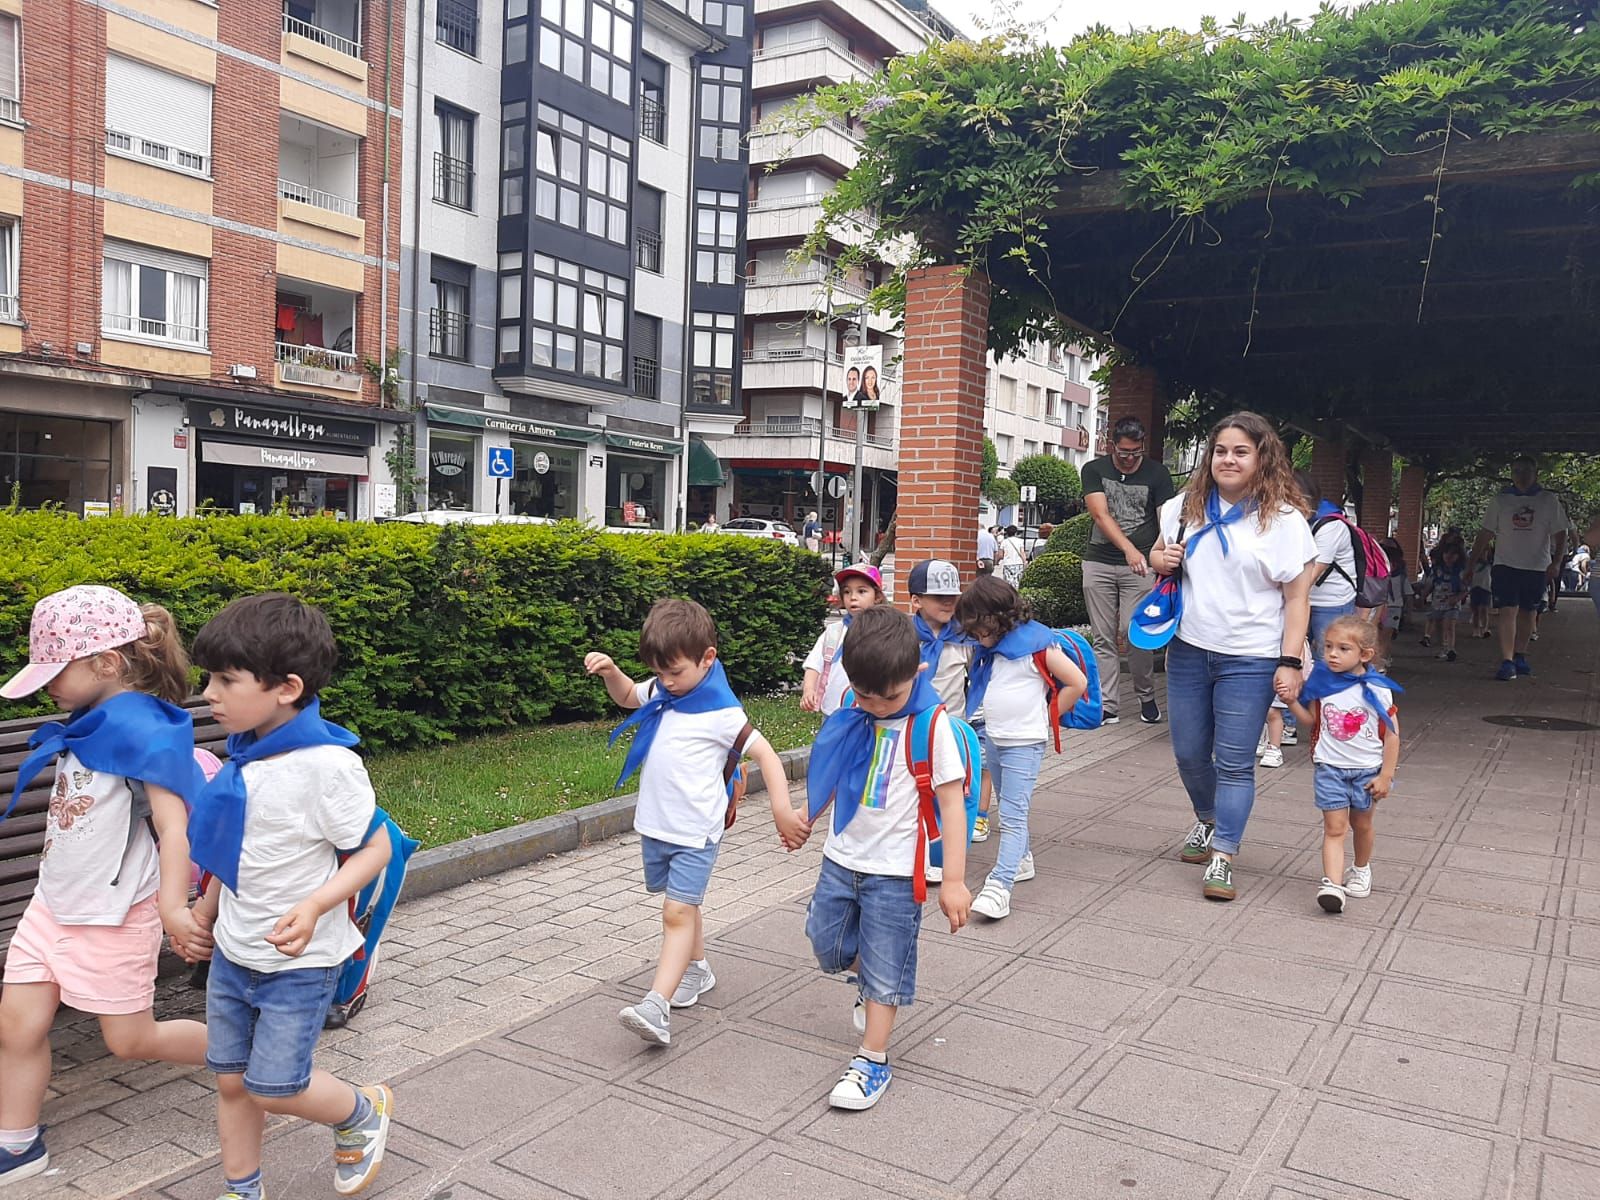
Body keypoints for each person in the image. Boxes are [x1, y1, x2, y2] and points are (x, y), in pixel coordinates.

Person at [187, 593, 395, 1200]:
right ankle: (241, 1189)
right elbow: (236, 846)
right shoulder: (246, 756)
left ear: (286, 687)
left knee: (274, 1086)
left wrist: (314, 906)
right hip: (234, 951)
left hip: (298, 963)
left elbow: (376, 848)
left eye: (226, 679)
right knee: (231, 1081)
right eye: (209, 678)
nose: (209, 693)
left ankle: (360, 1111)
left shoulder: (325, 765)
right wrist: (205, 908)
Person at [0, 586, 210, 1187]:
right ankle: (17, 1145)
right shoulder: (88, 722)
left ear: (106, 663)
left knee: (132, 1040)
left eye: (55, 670)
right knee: (17, 1024)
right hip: (53, 904)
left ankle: (252, 1057)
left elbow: (176, 828)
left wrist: (174, 906)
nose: (47, 685)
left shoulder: (146, 732)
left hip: (113, 913)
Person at [585, 599, 795, 1047]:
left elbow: (767, 755)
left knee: (676, 911)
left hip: (696, 832)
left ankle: (655, 1006)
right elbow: (627, 696)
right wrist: (611, 673)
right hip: (659, 826)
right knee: (684, 905)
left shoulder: (722, 711)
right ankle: (696, 970)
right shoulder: (666, 690)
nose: (665, 682)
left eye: (674, 672)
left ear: (707, 659)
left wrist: (781, 810)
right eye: (659, 673)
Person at [797, 606, 971, 1110]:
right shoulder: (855, 708)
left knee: (886, 964)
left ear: (915, 673)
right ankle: (873, 980)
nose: (874, 705)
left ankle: (871, 1060)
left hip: (896, 871)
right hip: (841, 857)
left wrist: (955, 880)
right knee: (824, 943)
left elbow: (952, 805)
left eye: (887, 696)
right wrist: (807, 816)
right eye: (864, 694)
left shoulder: (931, 725)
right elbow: (837, 769)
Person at [1149, 412, 1317, 902]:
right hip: (1188, 649)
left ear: (1262, 457)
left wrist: (1288, 661)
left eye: (1241, 451)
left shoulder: (1285, 520)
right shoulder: (1184, 506)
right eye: (1221, 450)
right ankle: (1207, 817)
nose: (1229, 459)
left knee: (1236, 763)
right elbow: (1158, 555)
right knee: (1187, 751)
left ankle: (1223, 853)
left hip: (1252, 657)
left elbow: (1297, 599)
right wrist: (1164, 559)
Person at [956, 576, 1088, 921]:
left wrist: (1045, 718)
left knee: (1013, 815)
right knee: (1008, 805)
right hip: (997, 737)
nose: (976, 635)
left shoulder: (1038, 645)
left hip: (1024, 742)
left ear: (998, 616)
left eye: (980, 627)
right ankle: (1022, 859)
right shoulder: (991, 649)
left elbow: (1077, 682)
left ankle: (1000, 886)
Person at [1278, 615, 1400, 914]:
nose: (1332, 654)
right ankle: (1332, 885)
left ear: (1365, 654)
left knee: (1362, 824)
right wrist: (1291, 702)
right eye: (1329, 647)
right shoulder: (1321, 684)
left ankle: (1361, 868)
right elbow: (1312, 722)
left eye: (1343, 648)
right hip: (1329, 768)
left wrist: (1386, 775)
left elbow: (1392, 734)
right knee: (1334, 828)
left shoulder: (1377, 689)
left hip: (1367, 771)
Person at [1080, 416, 1176, 726]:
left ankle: (1146, 694)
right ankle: (1108, 704)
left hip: (1142, 567)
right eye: (1124, 452)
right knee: (1103, 636)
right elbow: (1100, 514)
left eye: (1136, 452)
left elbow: (1166, 518)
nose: (1130, 458)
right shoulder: (1094, 470)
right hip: (1099, 561)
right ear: (1112, 446)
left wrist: (1164, 553)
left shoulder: (1157, 474)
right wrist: (1129, 549)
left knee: (1133, 632)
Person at [1468, 455, 1568, 680]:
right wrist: (1471, 564)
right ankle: (1507, 660)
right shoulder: (1501, 501)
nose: (1521, 475)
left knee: (1528, 612)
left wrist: (1557, 561)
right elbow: (1485, 533)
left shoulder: (1548, 500)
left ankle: (1520, 654)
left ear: (1535, 474)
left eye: (1525, 471)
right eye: (1516, 471)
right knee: (1507, 610)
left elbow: (1561, 534)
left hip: (1536, 566)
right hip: (1505, 564)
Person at [802, 564, 885, 716]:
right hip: (832, 711)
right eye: (847, 592)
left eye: (862, 591)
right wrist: (809, 690)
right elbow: (813, 665)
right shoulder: (834, 632)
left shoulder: (884, 632)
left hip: (869, 712)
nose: (853, 597)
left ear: (877, 597)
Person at [1297, 471, 1358, 662]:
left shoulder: (1330, 525)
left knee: (1329, 659)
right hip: (1303, 597)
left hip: (1332, 601)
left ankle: (1329, 692)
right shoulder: (1296, 522)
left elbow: (1312, 573)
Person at [1420, 541, 1468, 662]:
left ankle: (1450, 648)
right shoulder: (1436, 570)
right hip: (1437, 603)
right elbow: (1430, 585)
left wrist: (1457, 598)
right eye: (1446, 553)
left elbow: (1465, 589)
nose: (1449, 557)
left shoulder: (1460, 572)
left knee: (1449, 625)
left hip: (1452, 604)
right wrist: (1422, 597)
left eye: (1453, 554)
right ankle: (1443, 647)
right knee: (1439, 626)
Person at [1379, 537, 1412, 662]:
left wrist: (1408, 611)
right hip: (1378, 606)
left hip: (1394, 607)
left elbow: (1408, 593)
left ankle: (1383, 659)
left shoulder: (1400, 577)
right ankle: (1381, 658)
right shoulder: (1377, 576)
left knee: (1387, 634)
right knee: (1377, 635)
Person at [1469, 541, 1495, 638]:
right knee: (1475, 610)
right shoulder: (1472, 562)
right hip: (1475, 586)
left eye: (1485, 551)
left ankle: (1485, 628)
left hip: (1486, 587)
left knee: (1484, 609)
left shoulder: (1490, 562)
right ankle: (1476, 629)